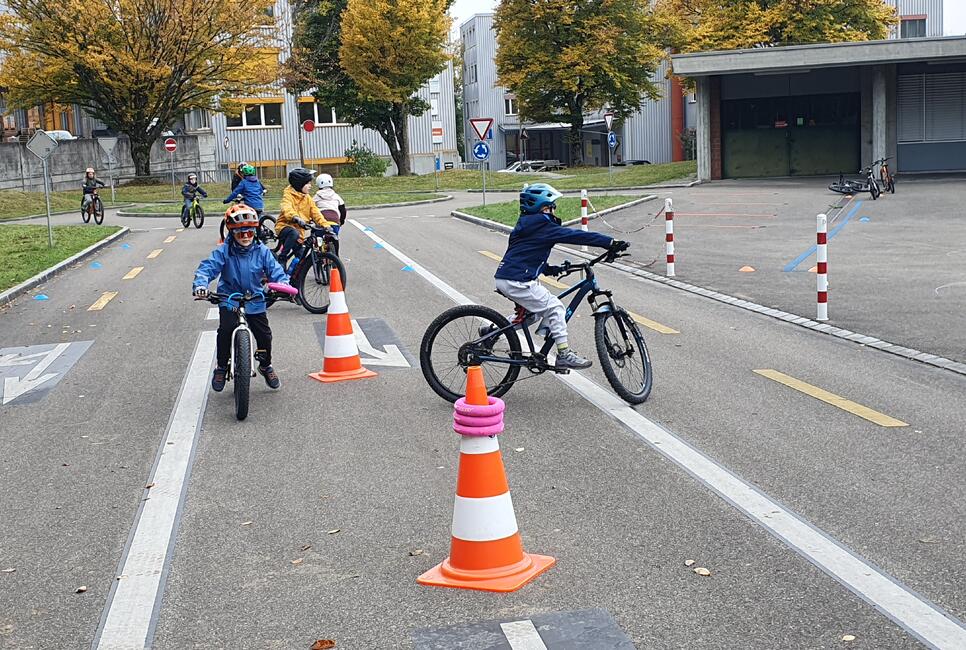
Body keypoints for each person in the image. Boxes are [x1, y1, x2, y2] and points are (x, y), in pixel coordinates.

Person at [493, 183, 628, 370]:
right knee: (556, 308)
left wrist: (549, 269)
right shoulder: (542, 225)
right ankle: (564, 355)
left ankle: (491, 333)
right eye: (550, 207)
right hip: (518, 281)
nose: (553, 210)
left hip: (510, 277)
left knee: (530, 316)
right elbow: (576, 236)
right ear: (541, 207)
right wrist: (609, 242)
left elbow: (525, 254)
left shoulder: (527, 225)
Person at [193, 204, 289, 392]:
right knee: (226, 329)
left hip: (255, 298)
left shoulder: (262, 251)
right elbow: (207, 268)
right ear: (231, 232)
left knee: (264, 335)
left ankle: (265, 365)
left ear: (256, 231)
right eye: (240, 233)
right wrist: (201, 285)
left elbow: (276, 271)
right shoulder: (224, 251)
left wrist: (282, 285)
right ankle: (221, 366)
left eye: (250, 232)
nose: (245, 236)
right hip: (229, 298)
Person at [275, 167, 338, 268]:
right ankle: (282, 258)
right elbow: (286, 208)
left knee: (301, 259)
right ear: (299, 184)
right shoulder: (288, 195)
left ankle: (295, 279)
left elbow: (316, 212)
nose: (310, 186)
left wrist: (326, 225)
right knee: (293, 233)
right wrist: (295, 217)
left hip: (299, 232)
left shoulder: (307, 198)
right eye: (308, 183)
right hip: (284, 227)